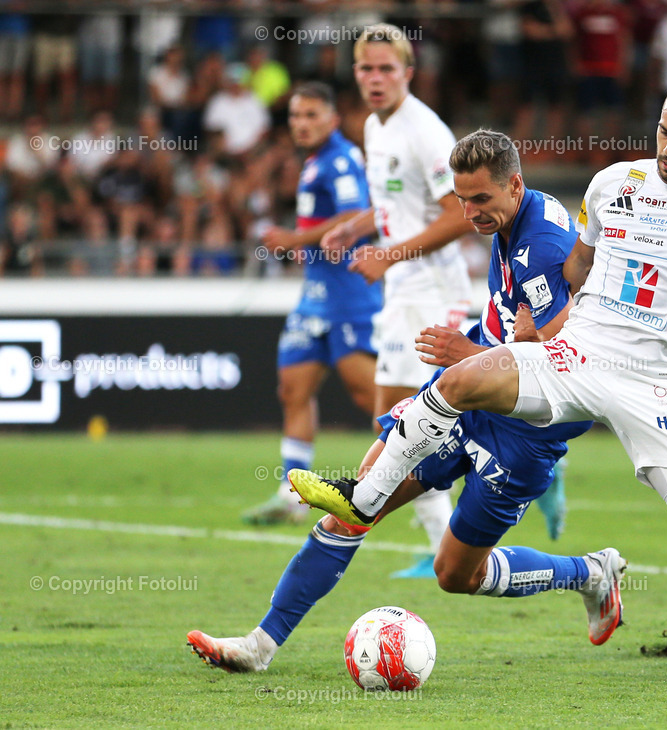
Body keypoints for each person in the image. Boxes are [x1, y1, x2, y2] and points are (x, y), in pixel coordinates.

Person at [291, 80, 667, 678]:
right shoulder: (613, 184)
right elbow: (579, 264)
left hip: (656, 382)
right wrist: (530, 312)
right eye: (664, 133)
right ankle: (362, 496)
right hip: (579, 355)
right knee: (462, 377)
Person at [186, 130, 623, 673]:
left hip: (524, 432)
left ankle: (590, 573)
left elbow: (558, 349)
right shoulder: (515, 219)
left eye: (481, 200)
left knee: (456, 575)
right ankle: (260, 645)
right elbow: (531, 324)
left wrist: (471, 351)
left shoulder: (543, 244)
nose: (470, 212)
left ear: (514, 184)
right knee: (355, 511)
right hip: (471, 395)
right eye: (463, 200)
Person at [316, 24, 473, 577]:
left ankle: (444, 545)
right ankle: (438, 546)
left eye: (387, 69)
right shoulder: (373, 127)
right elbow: (394, 202)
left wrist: (389, 256)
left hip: (433, 291)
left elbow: (461, 213)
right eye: (366, 69)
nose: (376, 78)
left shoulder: (424, 130)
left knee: (402, 425)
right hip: (403, 290)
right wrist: (356, 227)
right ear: (355, 73)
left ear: (409, 71)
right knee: (397, 422)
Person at [242, 83, 382, 526]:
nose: (301, 124)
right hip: (314, 294)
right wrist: (304, 246)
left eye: (311, 115)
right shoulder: (315, 161)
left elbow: (356, 216)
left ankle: (436, 470)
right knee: (293, 389)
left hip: (347, 295)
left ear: (332, 119)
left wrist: (293, 239)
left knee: (371, 397)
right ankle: (290, 494)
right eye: (296, 116)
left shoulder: (340, 160)